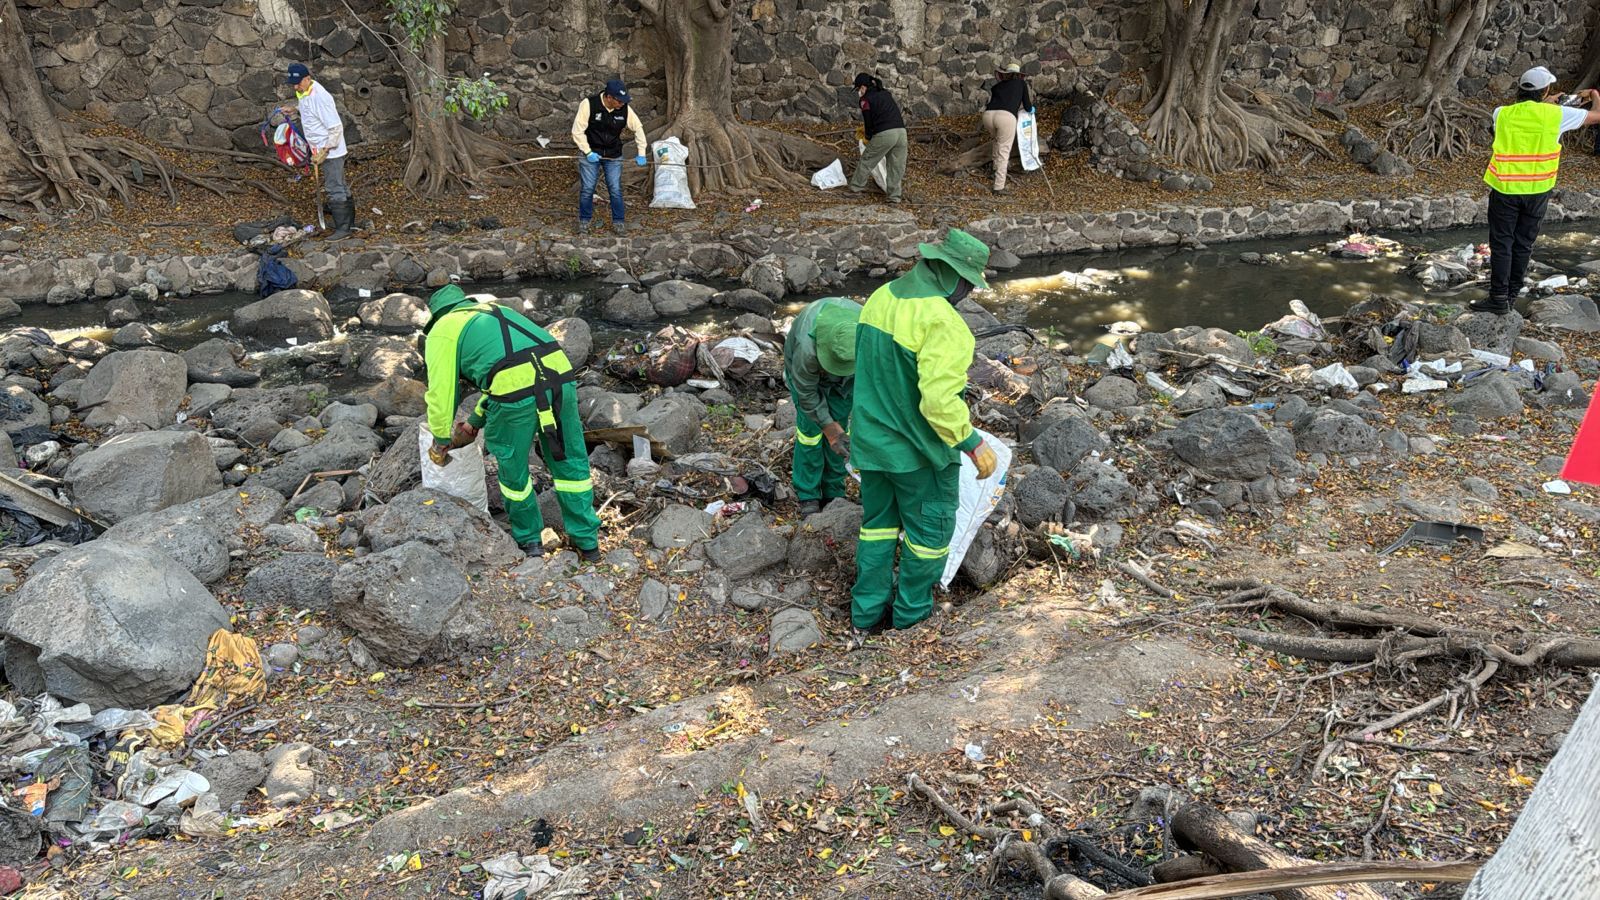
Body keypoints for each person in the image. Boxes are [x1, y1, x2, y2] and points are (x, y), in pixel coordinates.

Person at [849, 229, 998, 632]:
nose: (967, 292)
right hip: (919, 454)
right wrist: (973, 443)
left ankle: (865, 616)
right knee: (928, 536)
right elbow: (938, 402)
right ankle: (910, 621)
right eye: (968, 283)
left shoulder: (880, 298)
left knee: (877, 529)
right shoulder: (943, 322)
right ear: (951, 275)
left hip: (872, 446)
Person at [422, 285, 602, 562]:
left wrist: (441, 437)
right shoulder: (497, 311)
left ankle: (529, 541)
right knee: (570, 461)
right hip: (560, 378)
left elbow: (441, 392)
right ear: (462, 303)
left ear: (437, 315)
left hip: (515, 394)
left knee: (513, 468)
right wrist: (475, 420)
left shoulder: (443, 330)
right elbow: (512, 366)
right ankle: (588, 543)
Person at [1474, 65, 1600, 314]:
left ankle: (1498, 298)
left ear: (1520, 89)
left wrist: (1548, 101)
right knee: (1523, 244)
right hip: (1538, 191)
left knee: (1501, 244)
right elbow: (1597, 115)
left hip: (1505, 189)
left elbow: (1529, 111)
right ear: (1547, 91)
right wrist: (1594, 95)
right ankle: (1511, 297)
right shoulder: (1557, 115)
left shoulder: (1501, 113)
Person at [783, 297, 862, 516]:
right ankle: (808, 493)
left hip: (846, 381)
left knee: (840, 434)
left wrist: (836, 432)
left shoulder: (868, 334)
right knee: (810, 432)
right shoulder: (806, 347)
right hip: (807, 376)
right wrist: (828, 427)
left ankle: (833, 491)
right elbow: (806, 392)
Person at [281, 63, 353, 241]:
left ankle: (344, 229)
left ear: (307, 78)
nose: (295, 86)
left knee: (334, 186)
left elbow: (336, 127)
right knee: (339, 184)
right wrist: (295, 109)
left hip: (330, 151)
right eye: (293, 83)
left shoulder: (320, 96)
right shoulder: (305, 92)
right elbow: (309, 109)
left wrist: (325, 150)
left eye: (298, 82)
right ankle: (347, 220)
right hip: (319, 148)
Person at [570, 79, 648, 236]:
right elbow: (577, 131)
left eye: (624, 101)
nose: (622, 104)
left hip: (613, 155)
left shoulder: (624, 109)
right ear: (609, 97)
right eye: (619, 101)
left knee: (615, 189)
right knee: (587, 189)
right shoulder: (589, 104)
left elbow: (638, 128)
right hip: (591, 153)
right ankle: (584, 221)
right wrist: (587, 152)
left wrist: (641, 152)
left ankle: (619, 222)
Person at [848, 73, 908, 204]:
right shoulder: (885, 93)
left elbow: (868, 122)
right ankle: (894, 197)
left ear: (863, 87)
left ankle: (855, 189)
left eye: (859, 89)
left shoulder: (865, 100)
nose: (859, 92)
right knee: (896, 166)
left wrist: (868, 137)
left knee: (867, 160)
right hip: (901, 132)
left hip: (885, 133)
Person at [982, 62, 1033, 193]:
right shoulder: (1021, 84)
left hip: (988, 116)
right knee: (1004, 150)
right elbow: (1027, 106)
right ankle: (999, 186)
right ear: (1019, 75)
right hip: (1006, 117)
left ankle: (994, 169)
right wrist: (1031, 110)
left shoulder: (997, 86)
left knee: (997, 141)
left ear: (1006, 75)